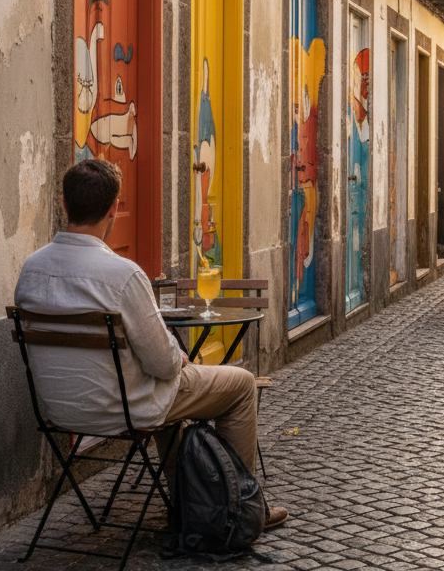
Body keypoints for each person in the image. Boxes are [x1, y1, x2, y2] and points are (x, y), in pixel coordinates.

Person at [14, 159, 288, 527]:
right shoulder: (123, 276)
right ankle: (241, 512)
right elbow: (163, 364)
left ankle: (189, 505)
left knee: (164, 394)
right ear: (113, 209)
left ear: (63, 204)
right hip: (125, 409)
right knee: (239, 384)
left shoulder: (31, 268)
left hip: (61, 412)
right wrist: (179, 358)